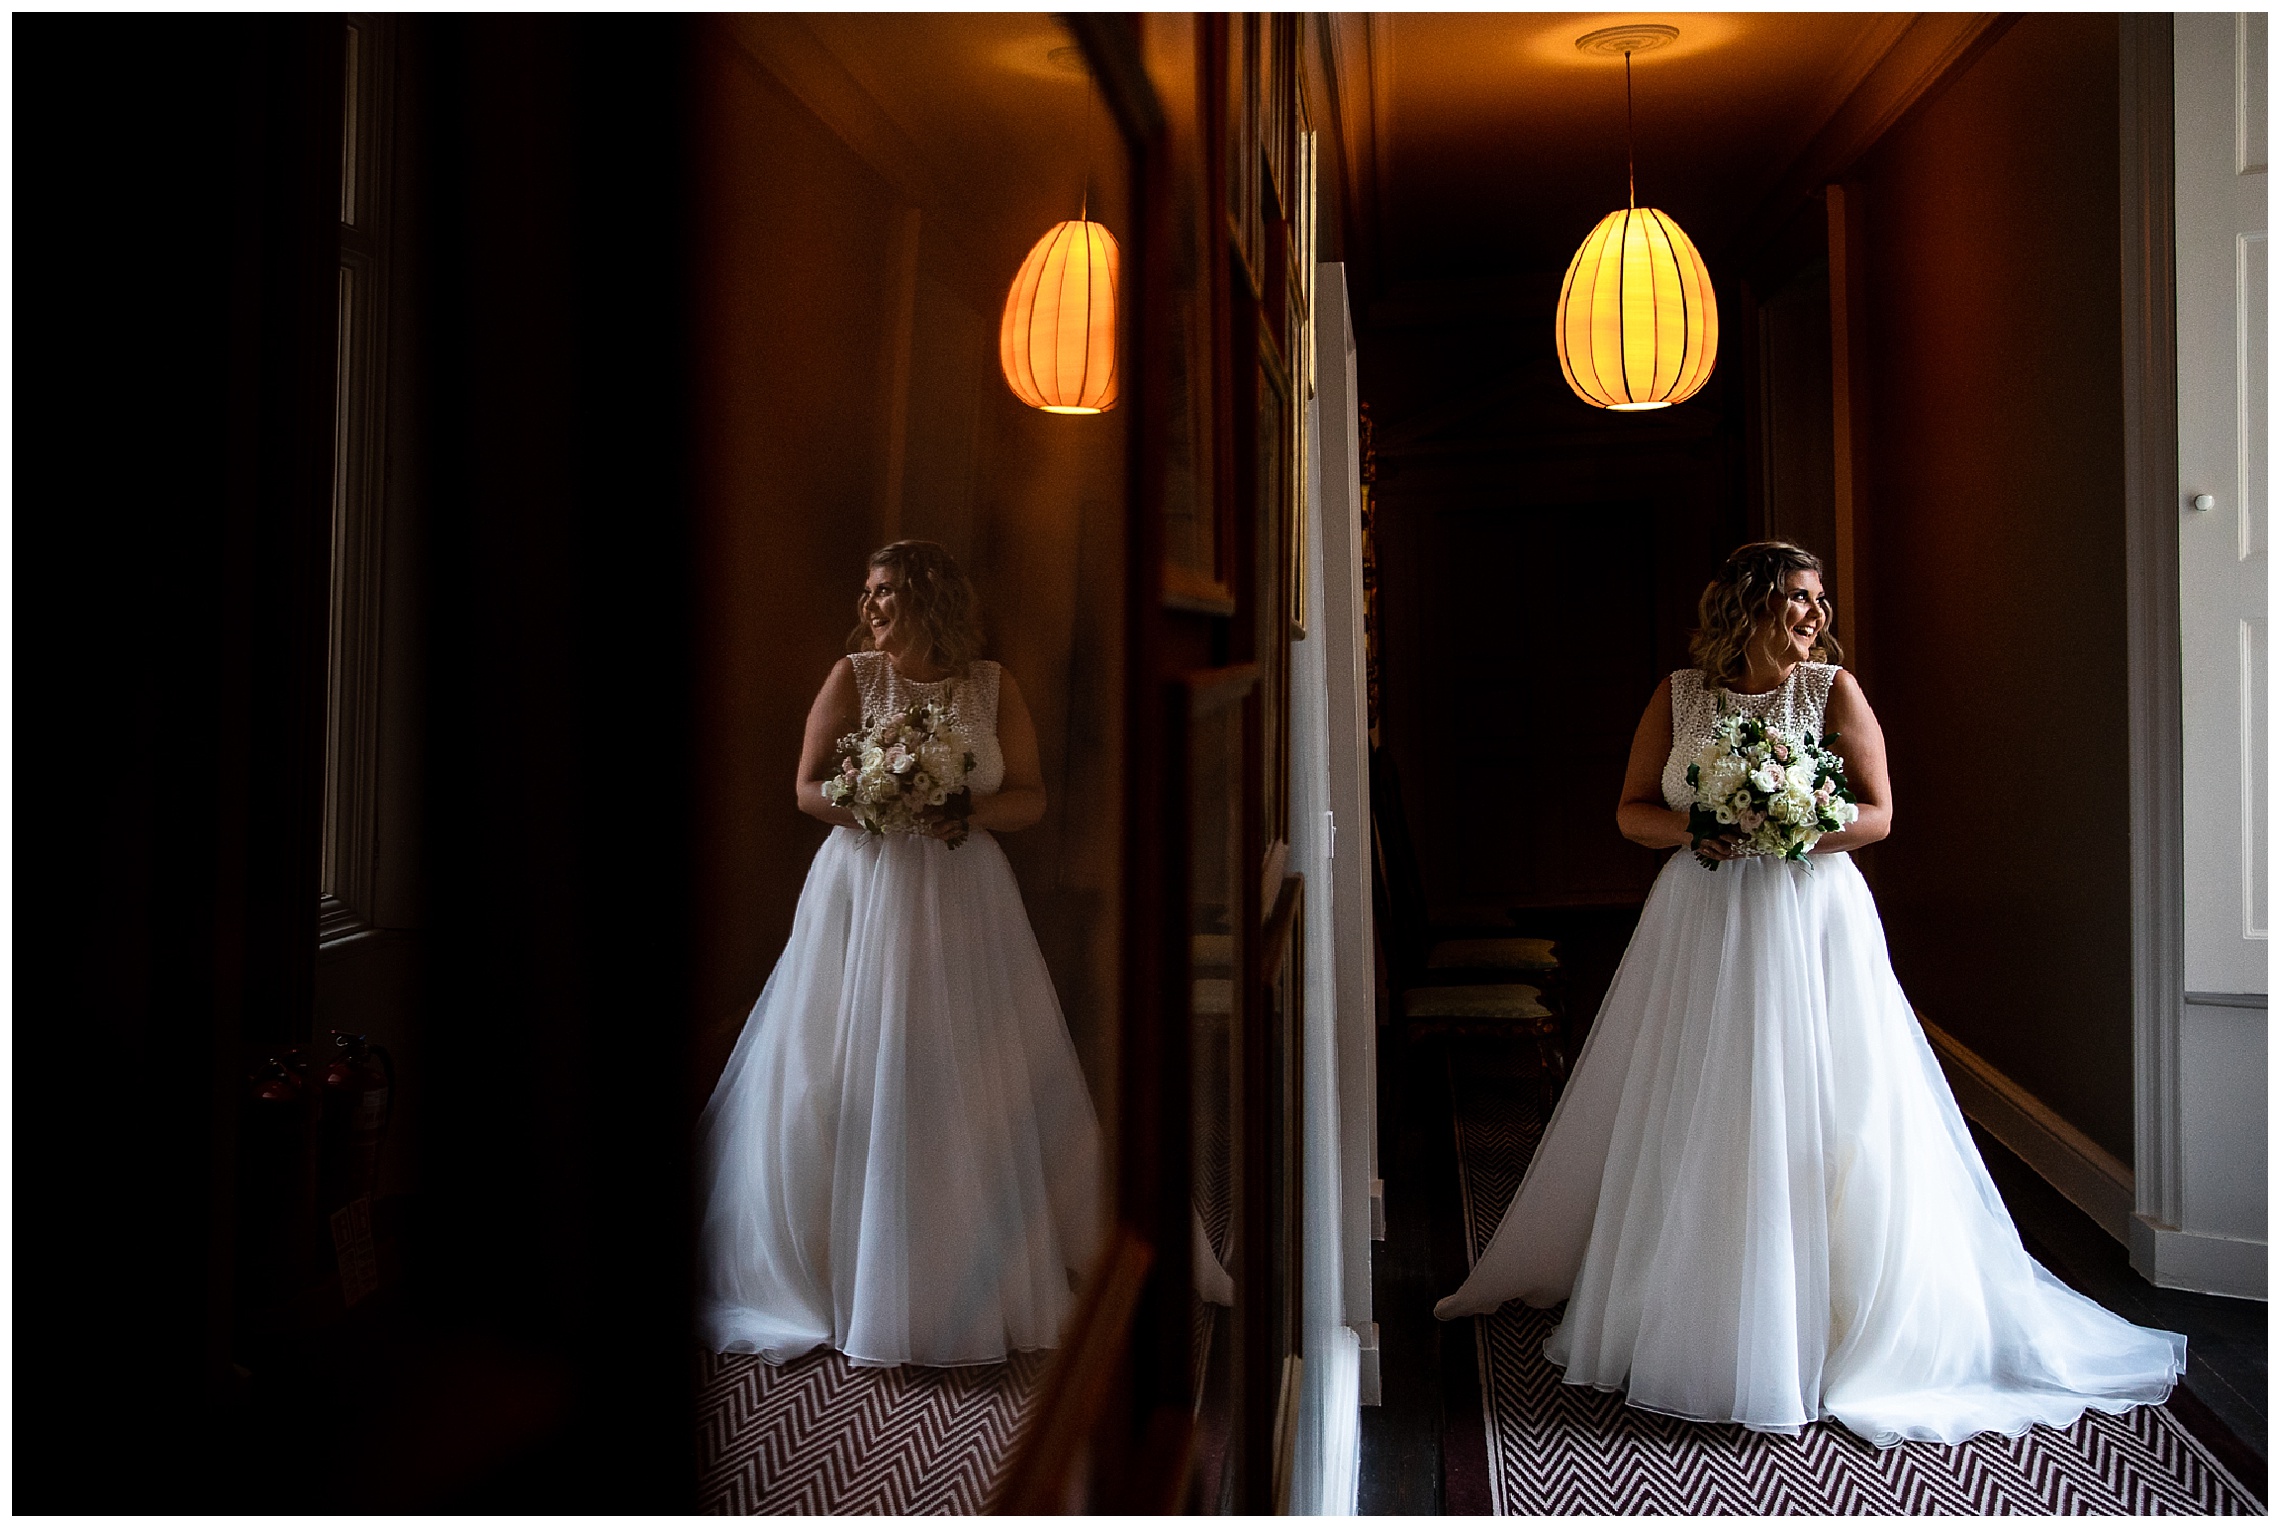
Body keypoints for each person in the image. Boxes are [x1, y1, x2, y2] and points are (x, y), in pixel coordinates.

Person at [1435, 541, 2184, 1448]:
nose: (1814, 614)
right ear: (1745, 605)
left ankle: (1831, 1320)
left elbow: (1877, 812)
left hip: (1809, 921)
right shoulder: (1679, 695)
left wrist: (1793, 827)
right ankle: (1696, 1306)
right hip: (1701, 919)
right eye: (1796, 597)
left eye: (1818, 599)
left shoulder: (1833, 693)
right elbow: (1634, 810)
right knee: (1702, 1100)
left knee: (1829, 1110)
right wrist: (1705, 830)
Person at [697, 539, 1101, 1368]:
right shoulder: (854, 677)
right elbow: (808, 786)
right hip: (866, 889)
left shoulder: (991, 686)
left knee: (965, 1067)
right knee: (844, 1065)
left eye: (885, 593)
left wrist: (965, 812)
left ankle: (962, 1263)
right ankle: (839, 1265)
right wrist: (876, 804)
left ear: (926, 599)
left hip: (964, 892)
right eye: (868, 592)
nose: (870, 606)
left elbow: (1029, 797)